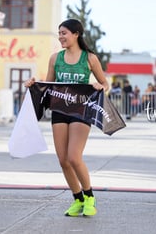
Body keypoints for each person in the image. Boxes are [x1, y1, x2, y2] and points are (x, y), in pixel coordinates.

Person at [24, 19, 109, 217]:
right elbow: (49, 85)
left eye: (64, 33)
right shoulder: (55, 58)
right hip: (59, 110)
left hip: (81, 110)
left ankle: (89, 197)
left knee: (73, 157)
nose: (60, 36)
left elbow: (105, 83)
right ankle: (78, 199)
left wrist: (100, 86)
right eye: (59, 33)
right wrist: (33, 84)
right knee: (63, 160)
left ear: (76, 34)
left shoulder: (89, 58)